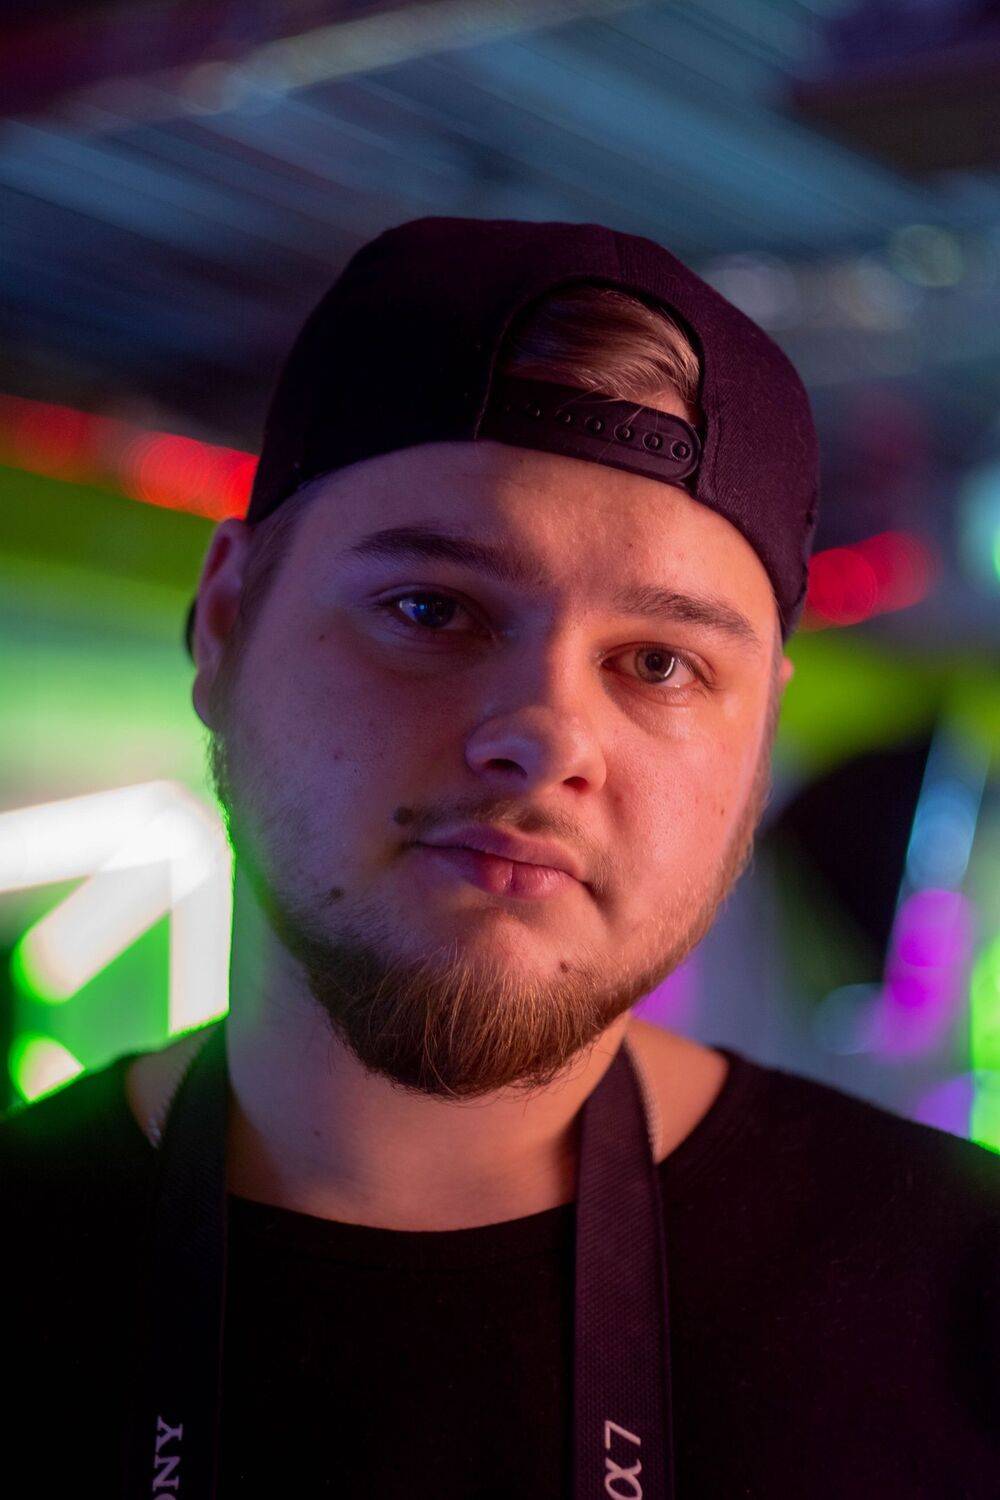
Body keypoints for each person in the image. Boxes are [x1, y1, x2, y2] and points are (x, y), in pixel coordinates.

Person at [2, 217, 997, 1497]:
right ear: (225, 624)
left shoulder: (963, 1298)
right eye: (432, 609)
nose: (545, 738)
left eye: (659, 662)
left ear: (759, 737)